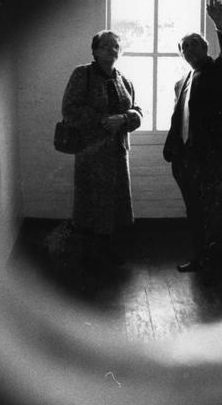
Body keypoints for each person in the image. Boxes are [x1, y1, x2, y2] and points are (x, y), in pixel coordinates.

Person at [163, 0, 222, 275]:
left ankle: (218, 268)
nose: (191, 51)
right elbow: (180, 119)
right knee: (195, 213)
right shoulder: (184, 79)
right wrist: (175, 153)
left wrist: (221, 24)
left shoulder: (220, 70)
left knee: (218, 214)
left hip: (215, 158)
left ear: (206, 48)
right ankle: (199, 259)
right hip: (187, 160)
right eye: (185, 48)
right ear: (181, 54)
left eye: (196, 45)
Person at [61, 30, 142, 268]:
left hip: (118, 154)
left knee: (114, 206)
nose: (112, 50)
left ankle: (107, 253)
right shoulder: (82, 74)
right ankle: (89, 258)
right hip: (91, 154)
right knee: (91, 205)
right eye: (106, 46)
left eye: (116, 46)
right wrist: (104, 120)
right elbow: (69, 110)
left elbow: (138, 112)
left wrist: (125, 118)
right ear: (94, 51)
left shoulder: (124, 80)